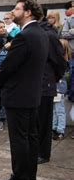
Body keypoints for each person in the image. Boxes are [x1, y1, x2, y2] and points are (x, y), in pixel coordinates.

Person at [0, 0, 48, 180]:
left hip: (19, 95)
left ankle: (19, 179)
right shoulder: (40, 33)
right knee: (30, 137)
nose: (13, 11)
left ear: (27, 13)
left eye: (17, 8)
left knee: (20, 139)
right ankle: (29, 176)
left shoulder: (25, 36)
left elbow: (9, 66)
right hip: (32, 94)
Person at [37, 16, 66, 164]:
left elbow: (60, 61)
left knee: (44, 121)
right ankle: (37, 151)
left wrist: (53, 78)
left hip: (45, 84)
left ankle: (43, 153)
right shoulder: (33, 32)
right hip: (35, 84)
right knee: (36, 121)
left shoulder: (48, 34)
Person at [52, 39, 71, 140]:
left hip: (59, 88)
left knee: (59, 111)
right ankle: (54, 128)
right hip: (54, 88)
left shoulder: (63, 62)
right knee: (54, 110)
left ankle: (60, 130)